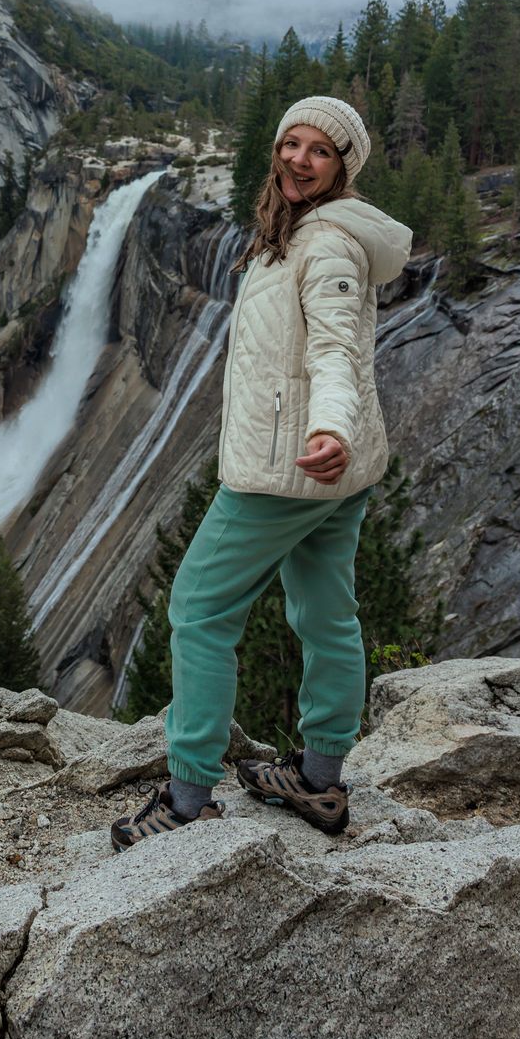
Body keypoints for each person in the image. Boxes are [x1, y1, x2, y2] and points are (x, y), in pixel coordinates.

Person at [111, 95, 412, 849]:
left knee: (199, 610)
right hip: (336, 470)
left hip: (291, 467)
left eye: (319, 150)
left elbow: (335, 353)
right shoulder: (295, 230)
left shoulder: (329, 246)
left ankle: (186, 798)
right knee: (323, 611)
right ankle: (318, 781)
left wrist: (328, 428)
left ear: (343, 167)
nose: (298, 159)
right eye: (290, 143)